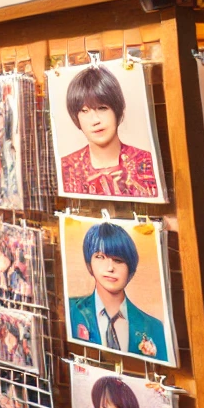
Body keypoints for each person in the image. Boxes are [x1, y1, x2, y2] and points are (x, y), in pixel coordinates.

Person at [67, 221, 168, 362]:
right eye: (100, 257)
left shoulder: (154, 327)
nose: (110, 268)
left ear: (130, 270)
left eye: (118, 260)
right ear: (89, 264)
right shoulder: (70, 310)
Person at [59, 64, 160, 199]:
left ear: (117, 109)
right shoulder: (67, 167)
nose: (95, 120)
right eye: (84, 111)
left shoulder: (146, 162)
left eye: (102, 108)